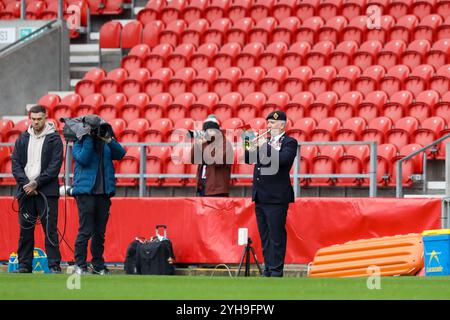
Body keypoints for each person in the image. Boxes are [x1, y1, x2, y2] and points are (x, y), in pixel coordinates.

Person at [245, 110, 298, 277]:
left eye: (273, 123)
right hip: (261, 195)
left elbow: (283, 160)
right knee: (265, 236)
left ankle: (276, 270)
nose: (269, 126)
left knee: (276, 236)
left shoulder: (289, 142)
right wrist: (247, 141)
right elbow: (248, 158)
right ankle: (268, 268)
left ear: (282, 124)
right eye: (268, 123)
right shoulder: (264, 142)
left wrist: (265, 146)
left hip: (276, 197)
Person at [11, 105, 63, 273]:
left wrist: (36, 183)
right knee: (25, 230)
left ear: (45, 117)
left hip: (47, 192)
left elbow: (54, 167)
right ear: (29, 118)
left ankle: (54, 265)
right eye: (33, 119)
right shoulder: (22, 138)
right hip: (25, 192)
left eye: (39, 119)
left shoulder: (54, 139)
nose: (36, 122)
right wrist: (27, 184)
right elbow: (16, 165)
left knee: (50, 230)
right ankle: (24, 265)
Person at [71, 119, 126, 275]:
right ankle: (79, 265)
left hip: (103, 192)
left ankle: (98, 264)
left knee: (99, 232)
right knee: (85, 230)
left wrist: (108, 140)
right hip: (85, 192)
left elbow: (121, 154)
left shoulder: (106, 142)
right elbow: (83, 159)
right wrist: (87, 137)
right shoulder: (79, 142)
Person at [191, 115, 233, 197]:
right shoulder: (204, 143)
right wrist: (197, 144)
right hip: (203, 187)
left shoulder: (225, 144)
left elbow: (217, 161)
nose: (207, 133)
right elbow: (194, 159)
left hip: (217, 190)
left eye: (211, 130)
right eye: (206, 130)